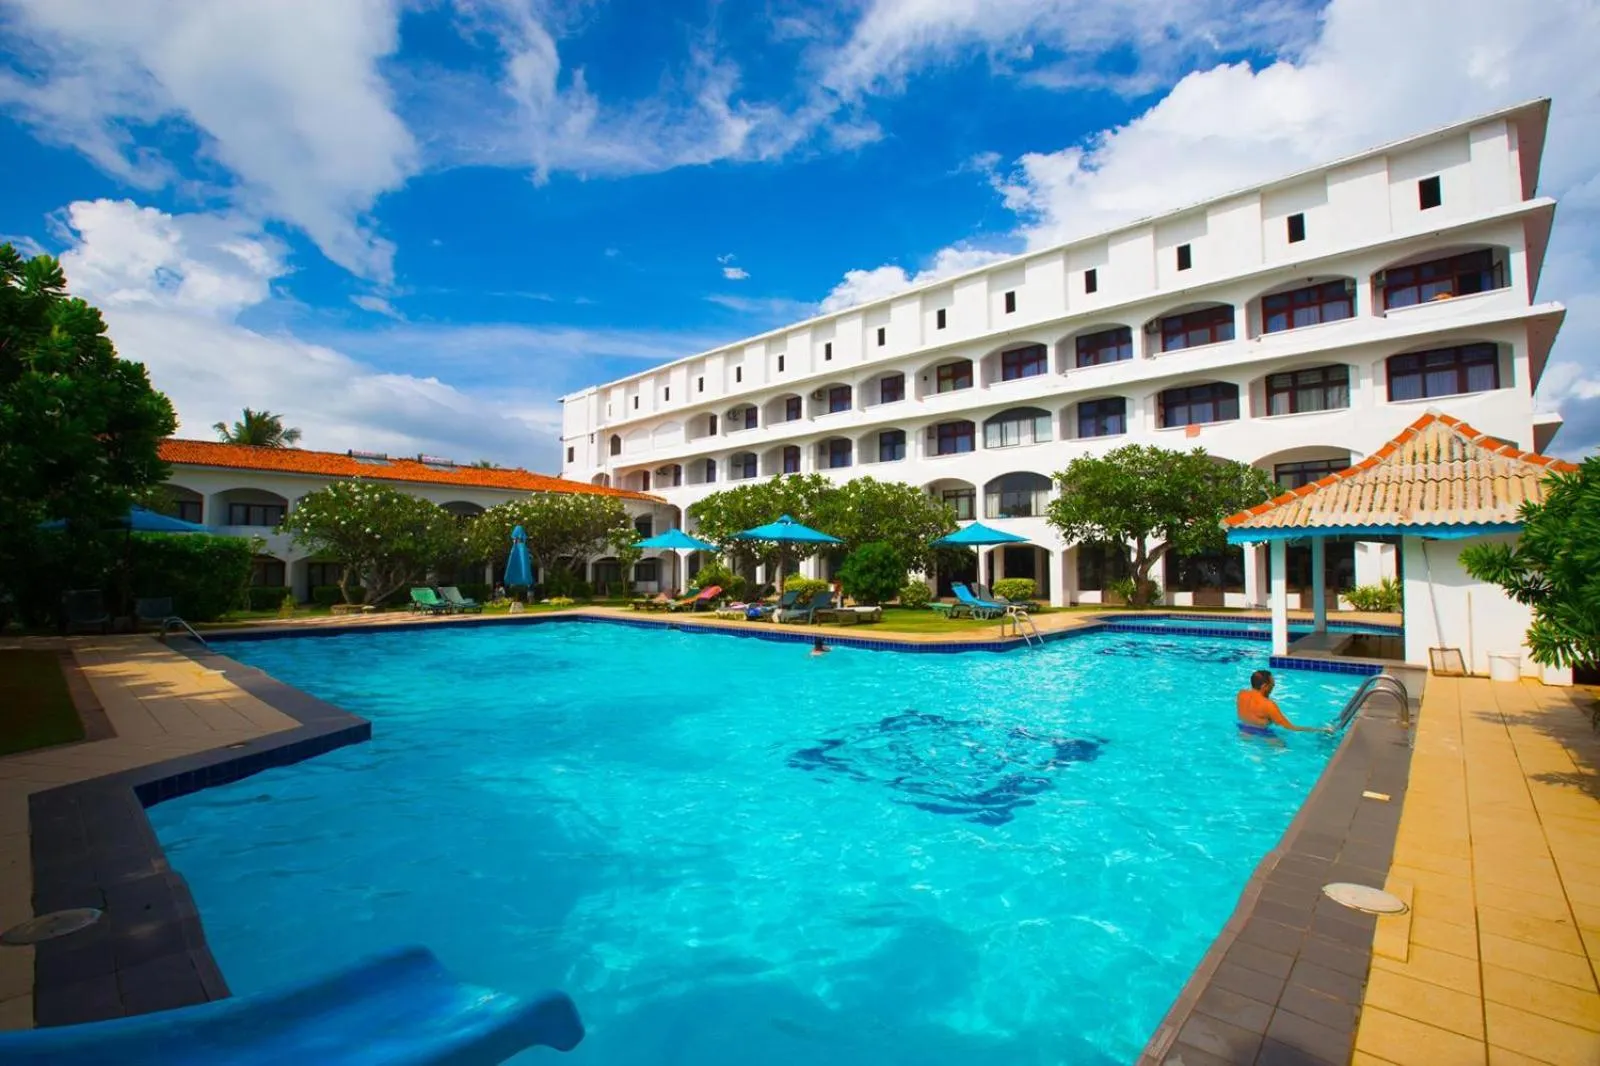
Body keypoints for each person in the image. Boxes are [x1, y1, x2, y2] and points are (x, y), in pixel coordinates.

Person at [1236, 670, 1328, 736]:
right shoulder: (1268, 705)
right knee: (1284, 749)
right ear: (1264, 686)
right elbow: (1290, 728)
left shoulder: (1241, 694)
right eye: (1272, 685)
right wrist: (1319, 730)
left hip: (1243, 730)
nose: (1273, 688)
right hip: (1263, 733)